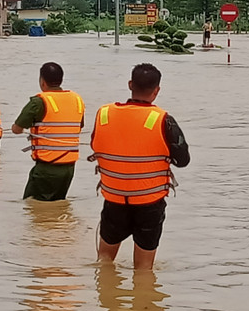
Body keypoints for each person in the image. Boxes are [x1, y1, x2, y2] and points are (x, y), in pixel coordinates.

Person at [90, 63, 190, 270]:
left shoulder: (104, 114)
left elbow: (95, 144)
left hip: (114, 200)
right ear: (157, 91)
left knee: (104, 262)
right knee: (144, 270)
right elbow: (183, 160)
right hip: (149, 203)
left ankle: (106, 298)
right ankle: (143, 300)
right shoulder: (163, 120)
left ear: (130, 85)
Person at [12, 62, 85, 201]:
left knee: (32, 206)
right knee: (57, 206)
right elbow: (79, 126)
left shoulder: (39, 102)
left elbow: (16, 129)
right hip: (69, 168)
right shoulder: (77, 100)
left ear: (42, 82)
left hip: (46, 167)